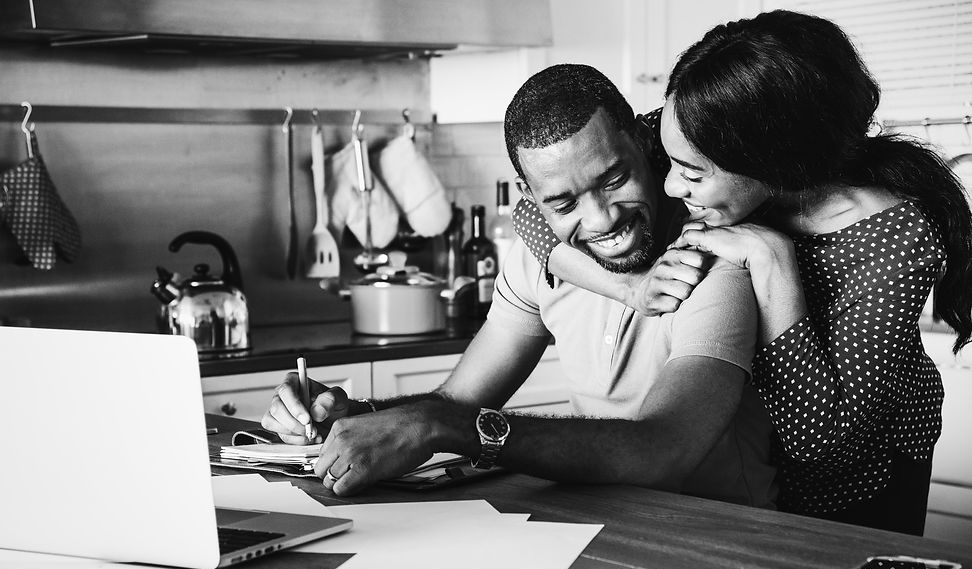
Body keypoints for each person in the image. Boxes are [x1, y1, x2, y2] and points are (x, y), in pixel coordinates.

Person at [510, 10, 972, 535]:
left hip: (862, 487)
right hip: (757, 477)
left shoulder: (894, 239)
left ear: (768, 159)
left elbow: (822, 444)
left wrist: (774, 263)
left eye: (693, 174)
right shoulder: (692, 133)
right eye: (671, 163)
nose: (670, 188)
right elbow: (531, 213)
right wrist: (630, 287)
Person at [261, 63, 778, 508]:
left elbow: (663, 451)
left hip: (723, 538)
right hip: (604, 527)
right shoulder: (536, 261)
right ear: (531, 198)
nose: (602, 220)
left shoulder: (711, 258)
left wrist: (445, 425)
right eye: (564, 203)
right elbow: (458, 400)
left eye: (614, 179)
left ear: (645, 145)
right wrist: (359, 416)